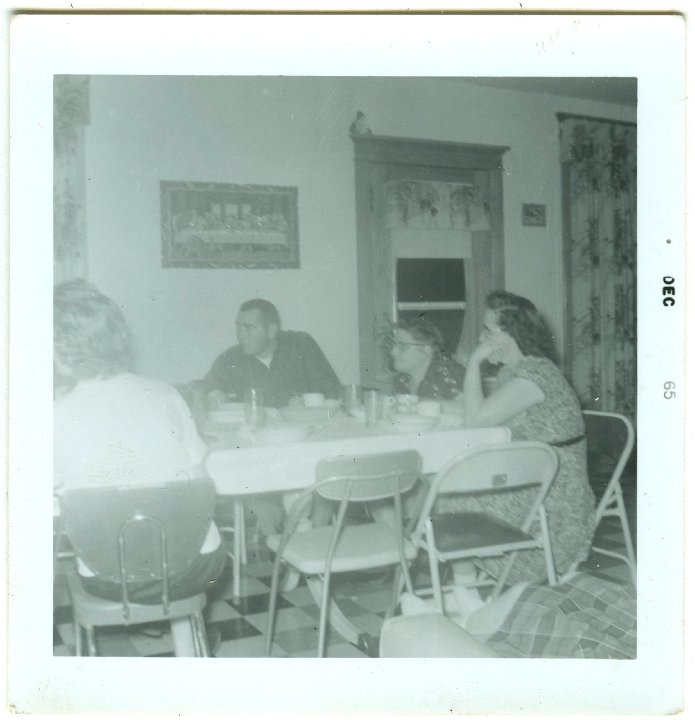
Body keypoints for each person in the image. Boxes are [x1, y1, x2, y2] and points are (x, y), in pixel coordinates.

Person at [53, 279, 226, 656]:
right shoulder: (165, 394)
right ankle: (190, 651)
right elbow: (197, 483)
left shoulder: (54, 413)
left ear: (59, 351)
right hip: (196, 566)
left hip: (110, 577)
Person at [446, 290, 595, 588]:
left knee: (451, 498)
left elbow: (476, 420)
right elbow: (472, 411)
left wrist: (474, 362)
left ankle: (466, 590)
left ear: (511, 332)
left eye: (488, 330)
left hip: (556, 503)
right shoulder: (516, 372)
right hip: (534, 482)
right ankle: (468, 586)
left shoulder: (535, 376)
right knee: (451, 493)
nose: (482, 338)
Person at [203, 298, 341, 409]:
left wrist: (309, 404)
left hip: (306, 428)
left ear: (272, 330)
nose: (241, 335)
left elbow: (332, 391)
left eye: (249, 328)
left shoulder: (301, 345)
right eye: (238, 327)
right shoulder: (232, 357)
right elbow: (207, 385)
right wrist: (213, 394)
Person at [390, 317, 464, 400]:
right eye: (394, 345)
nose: (393, 352)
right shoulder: (402, 381)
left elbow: (467, 410)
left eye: (402, 346)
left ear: (427, 350)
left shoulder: (448, 375)